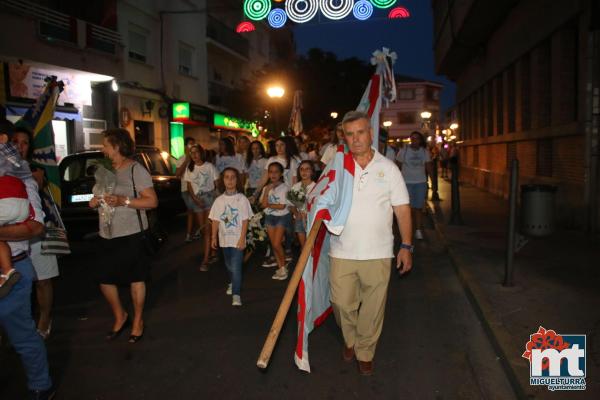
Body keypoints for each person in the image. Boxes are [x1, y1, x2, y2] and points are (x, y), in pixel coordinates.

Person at [329, 111, 412, 376]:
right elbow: (320, 199)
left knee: (373, 308)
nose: (355, 139)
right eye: (349, 134)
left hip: (378, 252)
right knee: (341, 303)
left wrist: (406, 246)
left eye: (360, 132)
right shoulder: (337, 167)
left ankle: (364, 351)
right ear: (344, 137)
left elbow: (402, 210)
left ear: (370, 133)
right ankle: (350, 338)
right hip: (342, 250)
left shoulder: (388, 169)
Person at [0, 119, 55, 399]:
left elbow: (35, 226)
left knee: (22, 336)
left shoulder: (23, 181)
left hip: (14, 269)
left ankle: (40, 385)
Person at [89, 128, 158, 344]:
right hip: (106, 233)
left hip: (131, 234)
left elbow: (152, 201)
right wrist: (93, 202)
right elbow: (97, 196)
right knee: (104, 279)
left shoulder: (136, 170)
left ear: (117, 147)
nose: (102, 149)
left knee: (136, 278)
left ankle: (137, 320)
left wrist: (124, 201)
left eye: (105, 145)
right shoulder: (103, 170)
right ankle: (120, 315)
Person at [12, 127, 60, 339]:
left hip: (37, 232)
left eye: (24, 143)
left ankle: (45, 319)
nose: (20, 147)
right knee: (15, 282)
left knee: (43, 279)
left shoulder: (35, 170)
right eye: (16, 142)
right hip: (12, 235)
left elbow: (42, 201)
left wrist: (36, 183)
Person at [209, 168, 253, 307]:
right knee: (228, 264)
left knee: (236, 266)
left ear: (237, 180)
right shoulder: (219, 201)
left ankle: (236, 294)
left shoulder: (242, 199)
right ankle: (233, 282)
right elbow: (215, 220)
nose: (230, 180)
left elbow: (245, 220)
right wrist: (213, 237)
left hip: (237, 239)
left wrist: (242, 238)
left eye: (233, 177)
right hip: (224, 239)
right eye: (227, 177)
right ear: (223, 180)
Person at [183, 145, 219, 272]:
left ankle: (206, 259)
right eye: (191, 153)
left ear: (201, 153)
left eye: (196, 152)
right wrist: (195, 199)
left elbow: (216, 185)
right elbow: (189, 186)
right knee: (203, 230)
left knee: (207, 229)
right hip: (197, 199)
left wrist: (218, 199)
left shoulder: (209, 166)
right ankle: (213, 251)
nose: (194, 155)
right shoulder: (190, 168)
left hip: (210, 198)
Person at [395, 131, 433, 240]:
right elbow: (397, 166)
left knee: (418, 208)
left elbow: (429, 167)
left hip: (420, 183)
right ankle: (408, 229)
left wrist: (433, 183)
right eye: (412, 138)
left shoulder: (425, 152)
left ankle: (418, 230)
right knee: (408, 208)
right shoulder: (404, 151)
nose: (414, 141)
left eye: (416, 138)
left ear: (420, 140)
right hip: (406, 183)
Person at [260, 162, 291, 281]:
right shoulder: (266, 188)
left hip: (281, 217)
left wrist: (269, 204)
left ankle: (283, 267)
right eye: (271, 172)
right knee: (274, 244)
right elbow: (263, 205)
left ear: (281, 173)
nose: (273, 174)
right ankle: (281, 267)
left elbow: (282, 206)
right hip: (269, 217)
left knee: (277, 243)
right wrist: (267, 190)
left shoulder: (284, 187)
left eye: (276, 172)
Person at [175, 137, 199, 242]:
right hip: (186, 189)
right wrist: (186, 161)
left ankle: (196, 233)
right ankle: (190, 234)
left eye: (194, 144)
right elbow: (177, 174)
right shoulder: (181, 158)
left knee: (196, 211)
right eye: (190, 144)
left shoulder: (198, 157)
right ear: (185, 146)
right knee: (191, 211)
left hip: (197, 189)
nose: (192, 147)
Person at [288, 160, 316, 248]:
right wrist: (296, 213)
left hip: (312, 219)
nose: (304, 172)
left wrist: (308, 214)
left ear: (312, 171)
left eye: (307, 169)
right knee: (303, 247)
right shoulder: (295, 187)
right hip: (300, 219)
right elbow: (290, 205)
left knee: (312, 246)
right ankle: (304, 262)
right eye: (301, 169)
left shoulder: (316, 186)